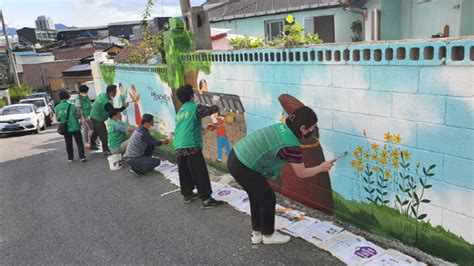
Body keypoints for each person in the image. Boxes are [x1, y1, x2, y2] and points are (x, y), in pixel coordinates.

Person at [227, 106, 335, 245]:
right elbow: (301, 173)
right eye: (312, 127)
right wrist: (321, 167)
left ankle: (257, 233)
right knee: (267, 198)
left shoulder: (282, 127)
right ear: (303, 128)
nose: (313, 130)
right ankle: (268, 235)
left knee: (257, 196)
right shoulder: (291, 144)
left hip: (237, 156)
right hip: (244, 165)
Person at [173, 84, 224, 209]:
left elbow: (185, 128)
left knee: (185, 171)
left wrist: (204, 129)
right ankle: (206, 199)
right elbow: (210, 111)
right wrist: (216, 104)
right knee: (199, 172)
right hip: (191, 145)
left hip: (179, 145)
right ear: (192, 96)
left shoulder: (181, 111)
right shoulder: (194, 108)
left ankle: (187, 194)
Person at [89, 84, 129, 155]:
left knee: (96, 130)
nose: (116, 93)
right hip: (97, 118)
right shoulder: (106, 103)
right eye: (115, 92)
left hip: (93, 114)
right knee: (103, 133)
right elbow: (113, 111)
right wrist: (123, 107)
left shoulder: (103, 94)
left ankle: (92, 143)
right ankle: (106, 150)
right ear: (111, 92)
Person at [55, 90, 86, 163]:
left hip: (65, 128)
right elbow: (78, 116)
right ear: (68, 96)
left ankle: (70, 158)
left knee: (68, 143)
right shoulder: (73, 106)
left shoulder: (57, 107)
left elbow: (58, 119)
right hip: (75, 126)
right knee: (79, 142)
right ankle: (82, 157)